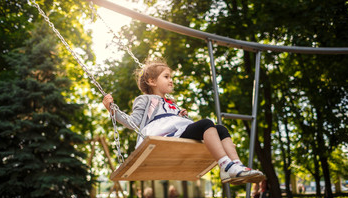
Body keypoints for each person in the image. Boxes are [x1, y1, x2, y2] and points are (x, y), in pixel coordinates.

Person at [102, 58, 264, 185]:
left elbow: (181, 123)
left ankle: (236, 166)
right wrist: (112, 110)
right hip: (162, 135)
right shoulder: (145, 99)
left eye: (171, 77)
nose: (171, 80)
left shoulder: (172, 102)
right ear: (152, 81)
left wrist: (180, 116)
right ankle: (226, 166)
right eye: (166, 77)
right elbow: (133, 122)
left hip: (177, 132)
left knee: (220, 129)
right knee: (206, 123)